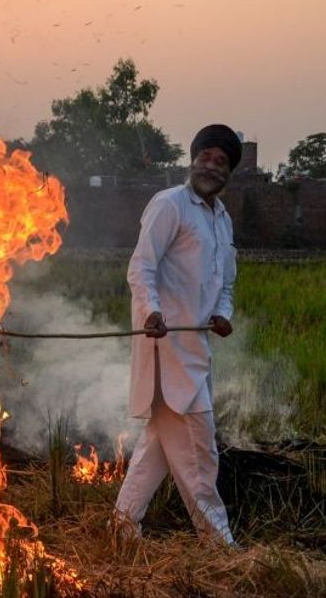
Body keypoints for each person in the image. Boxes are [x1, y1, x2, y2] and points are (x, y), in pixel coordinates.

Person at [113, 123, 242, 547]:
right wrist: (151, 311)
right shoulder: (169, 205)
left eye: (221, 162)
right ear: (194, 158)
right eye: (206, 156)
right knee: (199, 453)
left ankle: (122, 528)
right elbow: (141, 267)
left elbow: (225, 286)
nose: (212, 166)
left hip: (195, 349)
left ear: (228, 172)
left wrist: (222, 315)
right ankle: (220, 545)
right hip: (166, 348)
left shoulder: (222, 221)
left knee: (157, 448)